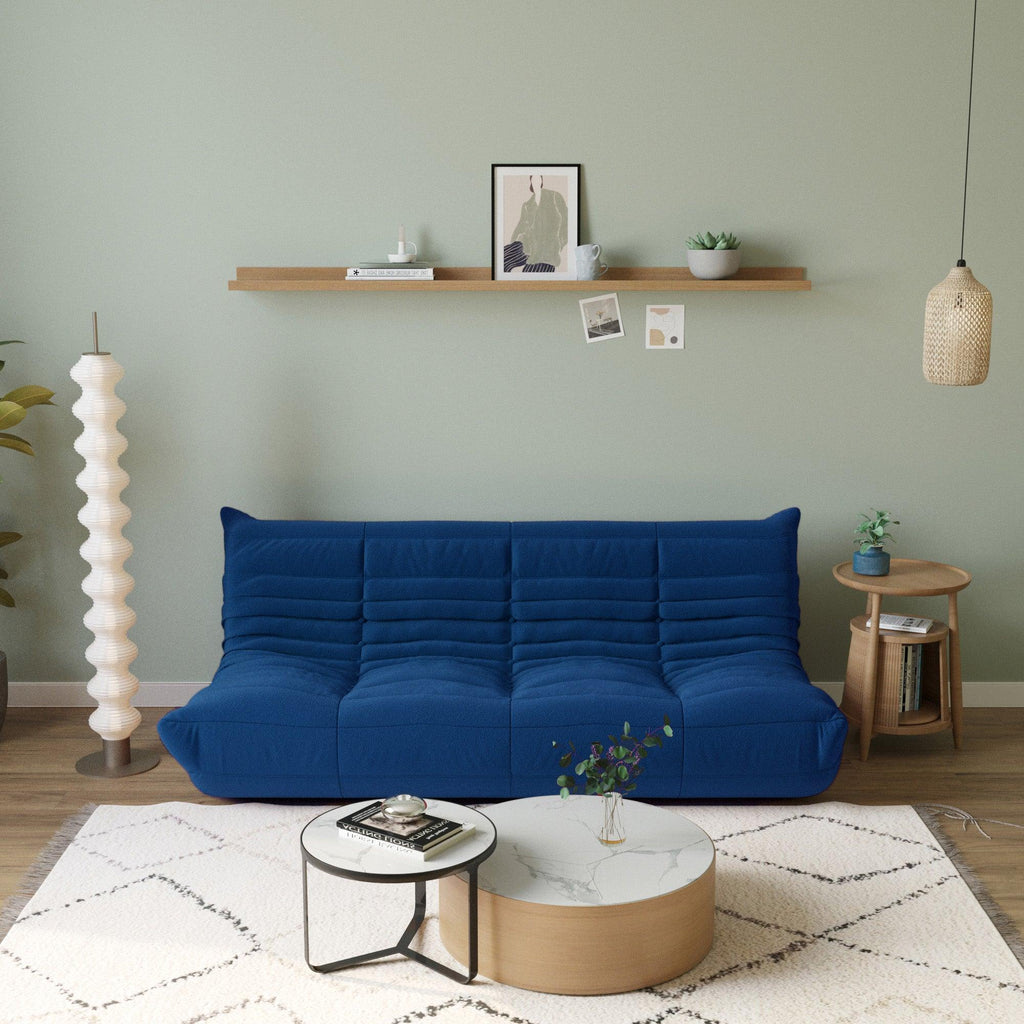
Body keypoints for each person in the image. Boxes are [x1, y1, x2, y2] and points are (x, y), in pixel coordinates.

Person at [504, 175, 568, 273]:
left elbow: (566, 220)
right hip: (525, 245)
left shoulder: (554, 196)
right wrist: (513, 241)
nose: (536, 182)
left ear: (542, 181)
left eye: (538, 179)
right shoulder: (527, 204)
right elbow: (521, 225)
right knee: (502, 259)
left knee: (530, 277)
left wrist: (560, 244)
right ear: (530, 182)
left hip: (547, 251)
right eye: (533, 179)